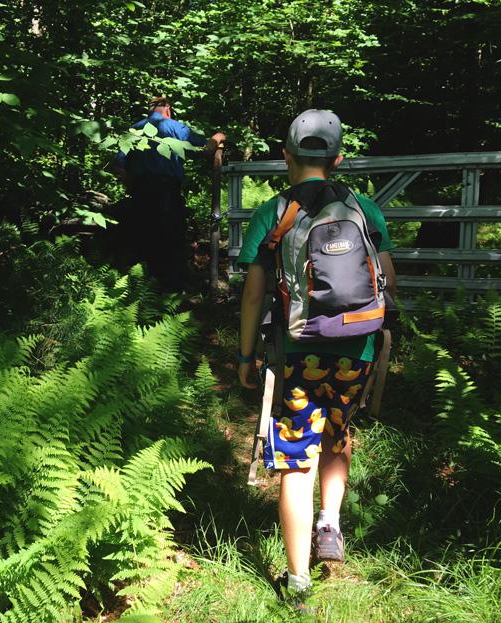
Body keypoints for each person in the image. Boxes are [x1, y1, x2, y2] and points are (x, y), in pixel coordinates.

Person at [236, 109, 397, 602]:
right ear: (338, 158)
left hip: (295, 353)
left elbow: (253, 295)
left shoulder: (272, 212)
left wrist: (245, 356)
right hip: (359, 346)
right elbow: (388, 281)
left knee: (294, 457)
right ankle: (330, 522)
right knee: (338, 430)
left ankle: (298, 578)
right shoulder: (365, 209)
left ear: (286, 155)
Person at [114, 96, 226, 291]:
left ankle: (143, 291)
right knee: (170, 239)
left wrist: (132, 187)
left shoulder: (134, 129)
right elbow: (205, 150)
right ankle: (171, 291)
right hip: (167, 191)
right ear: (168, 109)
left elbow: (119, 166)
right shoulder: (175, 127)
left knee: (144, 237)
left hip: (140, 192)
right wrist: (218, 137)